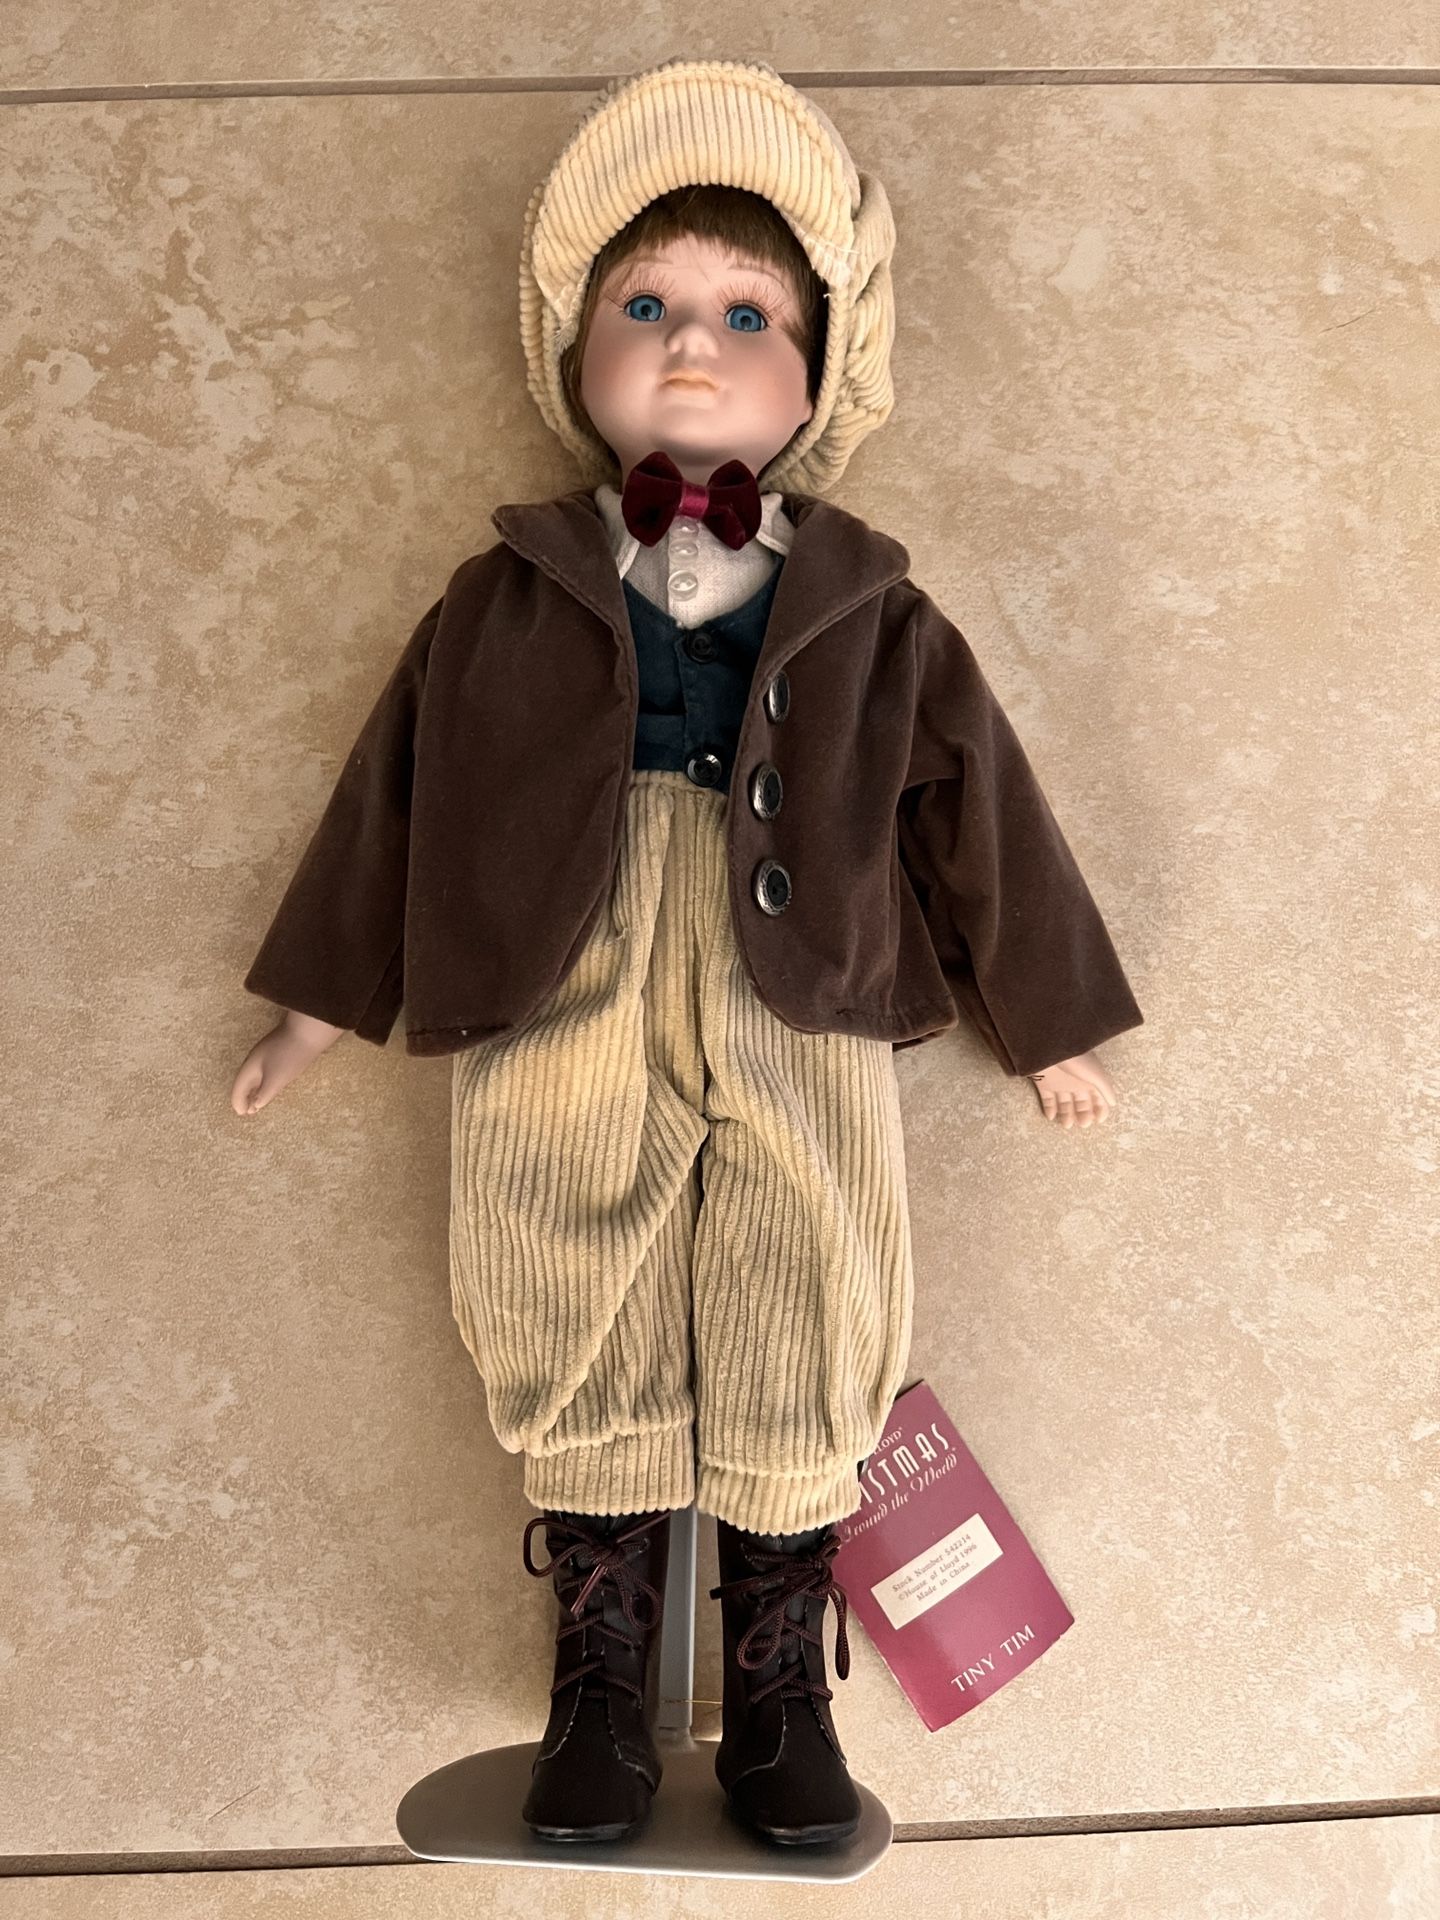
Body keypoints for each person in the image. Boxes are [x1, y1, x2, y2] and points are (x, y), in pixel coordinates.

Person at [231, 57, 1144, 1849]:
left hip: (804, 986)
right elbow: (394, 792)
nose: (696, 349)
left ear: (822, 376)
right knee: (558, 1255)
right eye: (644, 308)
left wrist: (1043, 1018)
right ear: (575, 360)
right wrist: (320, 1004)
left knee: (815, 1265)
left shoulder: (876, 603)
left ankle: (783, 1686)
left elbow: (980, 806)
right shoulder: (499, 591)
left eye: (747, 314)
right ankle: (599, 1679)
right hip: (556, 968)